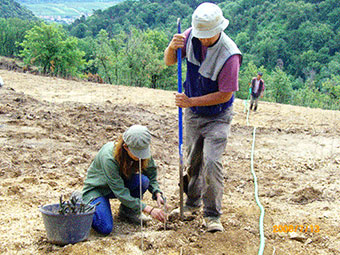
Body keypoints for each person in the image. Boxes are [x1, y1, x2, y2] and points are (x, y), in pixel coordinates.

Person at [164, 2, 242, 232]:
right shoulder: (189, 37)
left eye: (208, 35)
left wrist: (191, 102)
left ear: (219, 28)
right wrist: (171, 47)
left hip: (218, 115)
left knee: (211, 162)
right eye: (201, 35)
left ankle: (212, 215)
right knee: (193, 160)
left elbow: (225, 93)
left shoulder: (230, 55)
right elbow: (170, 61)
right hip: (193, 114)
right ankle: (191, 203)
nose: (204, 39)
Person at [81, 125, 167, 235]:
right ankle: (80, 200)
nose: (141, 157)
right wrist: (149, 209)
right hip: (98, 190)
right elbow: (121, 192)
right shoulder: (109, 158)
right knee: (105, 228)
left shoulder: (143, 149)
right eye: (137, 154)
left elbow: (150, 174)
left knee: (143, 181)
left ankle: (127, 212)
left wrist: (157, 192)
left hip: (119, 184)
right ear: (126, 147)